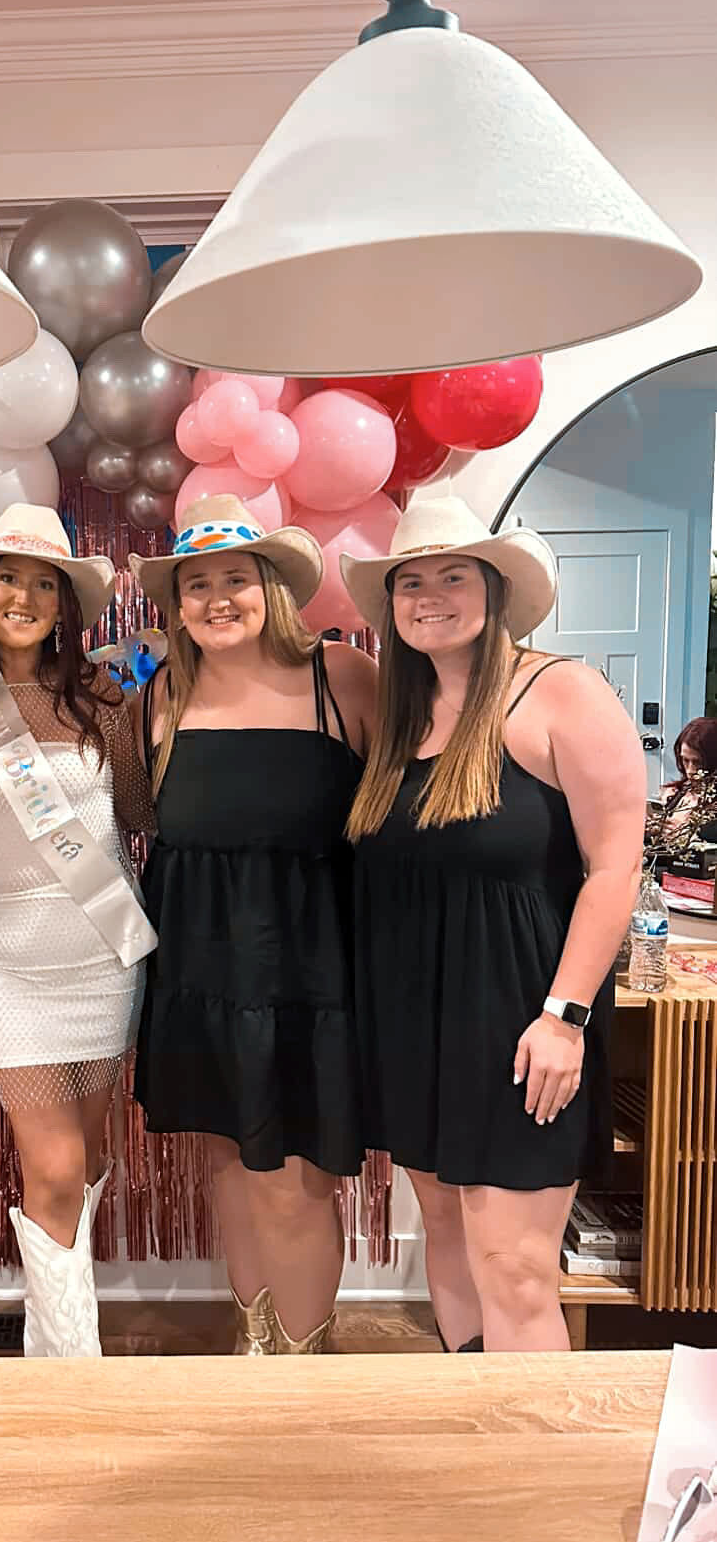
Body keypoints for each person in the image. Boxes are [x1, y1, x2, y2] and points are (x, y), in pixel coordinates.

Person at [341, 494, 645, 1353]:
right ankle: (475, 1447)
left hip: (524, 1022)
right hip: (419, 1024)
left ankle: (539, 1475)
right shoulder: (403, 721)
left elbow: (617, 867)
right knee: (449, 1241)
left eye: (452, 573)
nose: (430, 594)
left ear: (493, 588)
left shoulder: (561, 692)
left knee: (513, 1266)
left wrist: (566, 1016)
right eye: (410, 580)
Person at [128, 495, 377, 1356]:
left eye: (236, 578)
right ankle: (255, 1342)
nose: (217, 599)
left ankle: (304, 1368)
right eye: (197, 585)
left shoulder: (341, 677)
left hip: (308, 972)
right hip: (198, 967)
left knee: (292, 1181)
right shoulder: (163, 690)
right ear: (177, 605)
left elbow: (408, 807)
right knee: (227, 1164)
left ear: (273, 587)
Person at [0, 503, 155, 1358]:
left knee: (84, 1166)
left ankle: (63, 1334)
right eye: (10, 576)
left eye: (44, 583)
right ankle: (64, 1373)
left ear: (66, 603)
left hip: (102, 954)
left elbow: (136, 813)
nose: (24, 594)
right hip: (7, 968)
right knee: (51, 1169)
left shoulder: (98, 694)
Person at [657, 716, 717, 845]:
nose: (690, 770)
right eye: (685, 760)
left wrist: (689, 835)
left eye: (697, 762)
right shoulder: (677, 793)